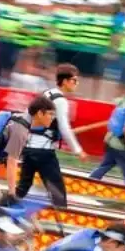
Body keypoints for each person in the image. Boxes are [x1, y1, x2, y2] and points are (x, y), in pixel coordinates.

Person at [18, 63, 86, 208]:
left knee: (22, 189)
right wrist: (78, 150)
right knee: (58, 194)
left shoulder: (46, 94)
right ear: (66, 81)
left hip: (29, 148)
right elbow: (64, 127)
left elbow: (26, 117)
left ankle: (3, 211)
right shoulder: (61, 101)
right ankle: (61, 222)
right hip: (44, 151)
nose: (76, 84)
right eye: (74, 80)